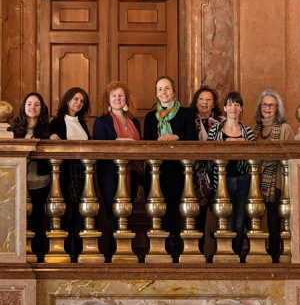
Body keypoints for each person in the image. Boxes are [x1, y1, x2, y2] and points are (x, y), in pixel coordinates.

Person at [143, 76, 197, 260]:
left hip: (180, 172)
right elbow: (146, 144)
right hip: (157, 172)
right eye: (160, 89)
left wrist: (176, 138)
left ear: (173, 91)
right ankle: (159, 252)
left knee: (175, 212)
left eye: (167, 88)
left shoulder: (187, 113)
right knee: (158, 212)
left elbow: (194, 139)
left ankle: (174, 254)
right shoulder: (151, 117)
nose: (163, 92)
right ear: (156, 93)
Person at [92, 81, 142, 247]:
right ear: (108, 99)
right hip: (110, 175)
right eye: (113, 96)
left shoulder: (135, 122)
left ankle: (126, 251)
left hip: (132, 173)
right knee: (114, 214)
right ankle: (115, 253)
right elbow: (100, 150)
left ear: (126, 98)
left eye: (121, 95)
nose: (117, 98)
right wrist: (118, 142)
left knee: (128, 213)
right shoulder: (101, 122)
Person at [207, 92, 256, 259]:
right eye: (230, 104)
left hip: (244, 180)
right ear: (224, 108)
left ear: (241, 108)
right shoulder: (215, 130)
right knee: (225, 220)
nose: (233, 108)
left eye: (237, 104)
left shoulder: (247, 131)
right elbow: (210, 155)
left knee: (240, 221)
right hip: (223, 180)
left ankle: (236, 255)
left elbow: (254, 156)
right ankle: (224, 255)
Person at [49, 87, 91, 262]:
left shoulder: (83, 123)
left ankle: (80, 255)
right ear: (67, 100)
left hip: (82, 172)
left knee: (82, 214)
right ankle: (65, 255)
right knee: (66, 214)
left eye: (81, 101)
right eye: (75, 99)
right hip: (64, 173)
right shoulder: (57, 122)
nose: (78, 103)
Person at [253, 90, 294, 261]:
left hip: (277, 182)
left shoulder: (285, 128)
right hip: (256, 181)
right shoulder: (255, 130)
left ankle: (275, 257)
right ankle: (257, 254)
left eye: (271, 105)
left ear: (278, 108)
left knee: (274, 220)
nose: (267, 108)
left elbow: (292, 157)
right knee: (255, 219)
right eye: (264, 104)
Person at [11, 92, 52, 261]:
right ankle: (20, 256)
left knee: (39, 221)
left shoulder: (48, 130)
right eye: (29, 104)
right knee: (19, 221)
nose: (32, 107)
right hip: (19, 182)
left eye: (37, 104)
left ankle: (39, 256)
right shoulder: (14, 130)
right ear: (24, 107)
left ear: (41, 108)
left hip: (42, 182)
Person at [190, 86, 223, 236]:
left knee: (221, 215)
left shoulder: (222, 122)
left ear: (214, 103)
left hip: (217, 171)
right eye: (201, 99)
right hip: (194, 174)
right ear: (196, 102)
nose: (205, 102)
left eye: (209, 99)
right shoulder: (188, 120)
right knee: (196, 216)